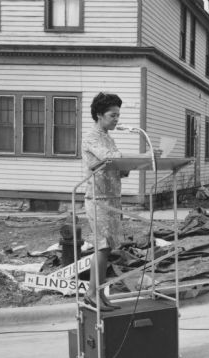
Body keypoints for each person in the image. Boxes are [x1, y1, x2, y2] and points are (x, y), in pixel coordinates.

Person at [82, 92, 127, 310]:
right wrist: (129, 159)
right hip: (97, 198)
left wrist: (130, 166)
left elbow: (116, 165)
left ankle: (99, 294)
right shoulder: (92, 137)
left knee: (107, 248)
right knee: (101, 246)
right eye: (113, 115)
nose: (116, 119)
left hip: (111, 198)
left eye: (118, 115)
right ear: (99, 115)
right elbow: (108, 158)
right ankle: (92, 293)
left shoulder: (109, 137)